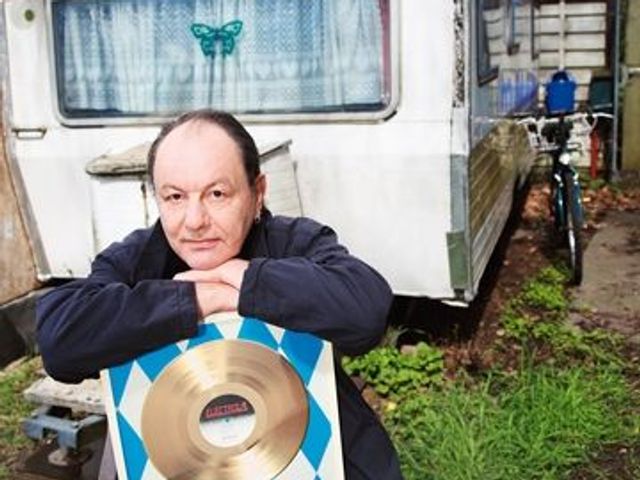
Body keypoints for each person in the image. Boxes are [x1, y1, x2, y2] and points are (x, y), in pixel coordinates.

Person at [37, 109, 403, 479]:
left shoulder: (295, 242)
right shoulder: (137, 257)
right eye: (175, 197)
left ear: (257, 193)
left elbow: (366, 309)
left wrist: (245, 282)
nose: (195, 221)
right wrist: (196, 299)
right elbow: (59, 342)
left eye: (217, 194)